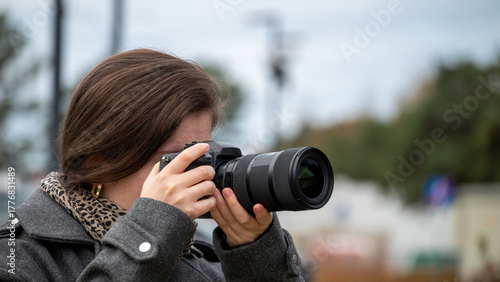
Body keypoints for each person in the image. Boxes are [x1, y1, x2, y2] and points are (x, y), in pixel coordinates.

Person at [0, 49, 304, 281]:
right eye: (176, 159)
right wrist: (150, 233)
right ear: (97, 159)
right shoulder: (18, 258)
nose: (198, 175)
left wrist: (255, 256)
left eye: (203, 156)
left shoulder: (200, 261)